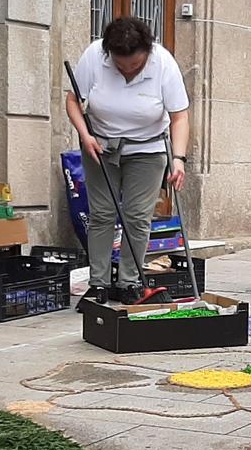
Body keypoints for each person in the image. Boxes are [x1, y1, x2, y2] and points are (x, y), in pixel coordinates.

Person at [66, 16, 192, 303]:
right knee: (102, 213)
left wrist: (179, 158)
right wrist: (85, 135)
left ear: (147, 52)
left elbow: (179, 116)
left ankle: (129, 281)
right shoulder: (95, 56)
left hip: (148, 149)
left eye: (135, 65)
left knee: (137, 216)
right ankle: (98, 282)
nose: (127, 72)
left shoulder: (163, 63)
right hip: (100, 146)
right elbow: (73, 100)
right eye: (120, 66)